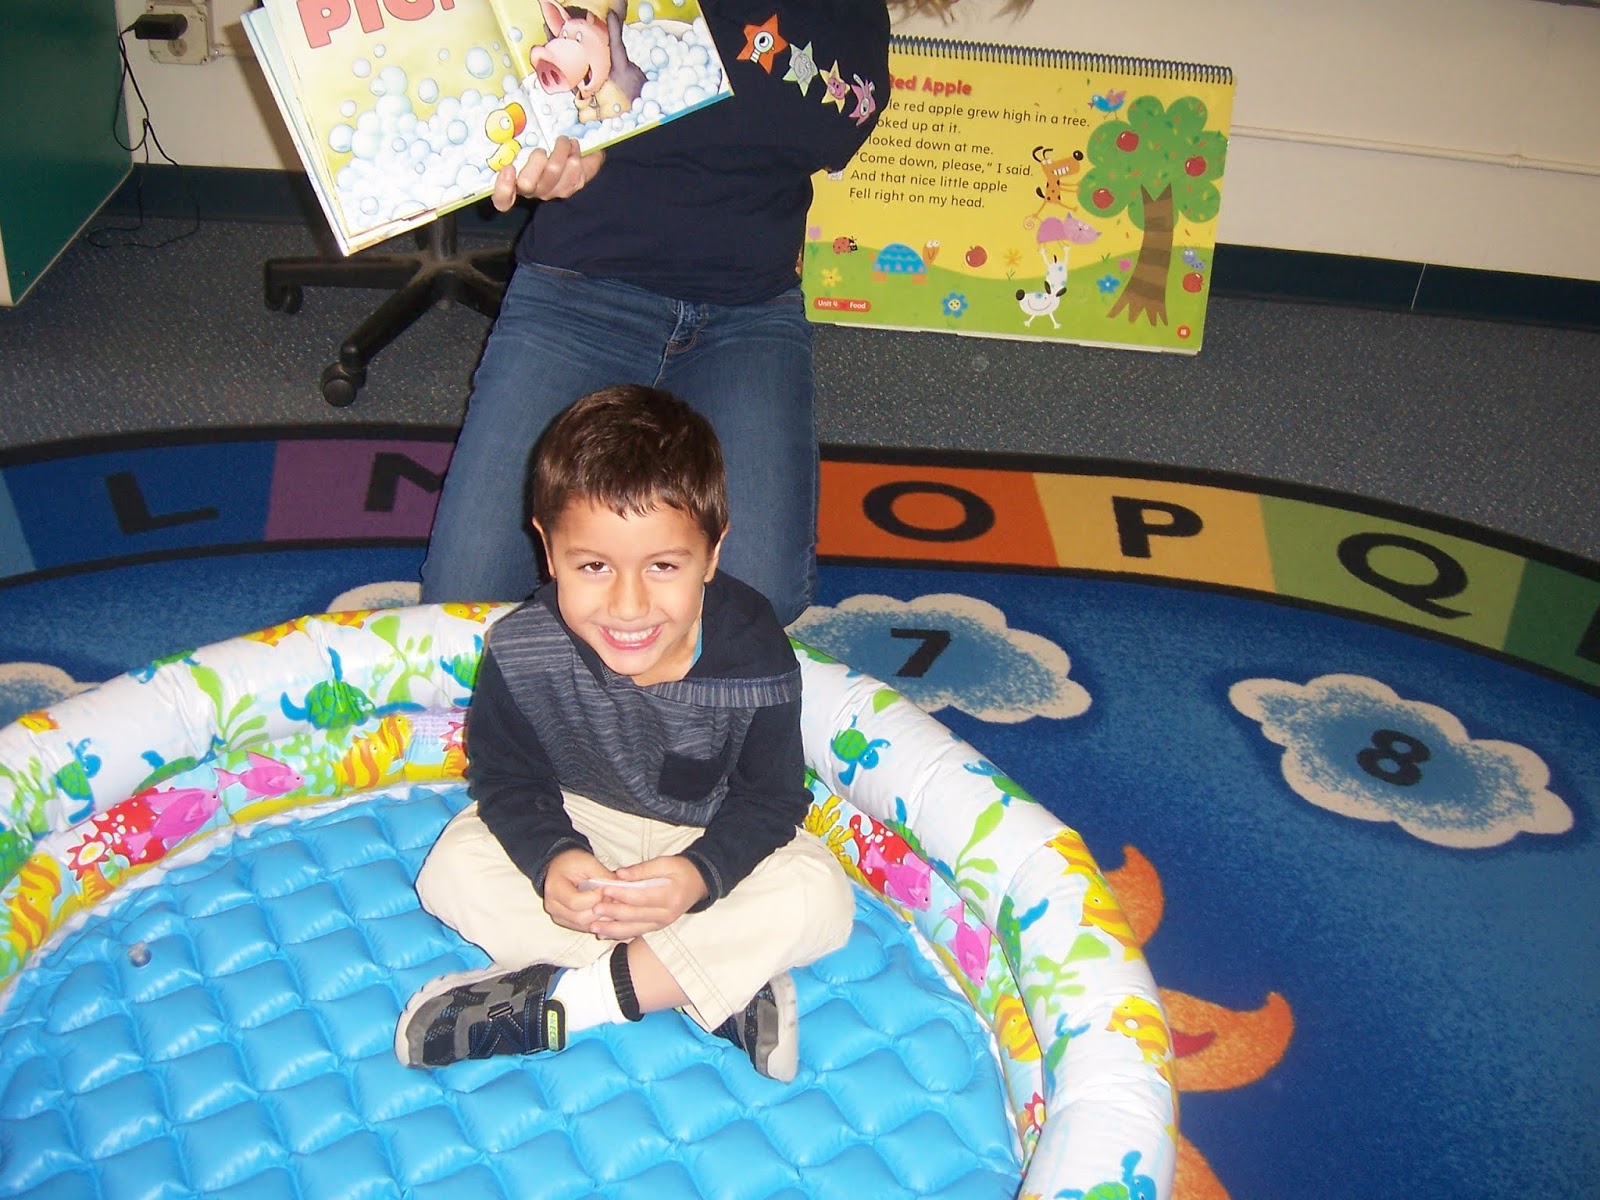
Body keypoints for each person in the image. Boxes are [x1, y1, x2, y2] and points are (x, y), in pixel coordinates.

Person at [421, 1, 1028, 625]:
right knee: (465, 600)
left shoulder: (858, 15)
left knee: (757, 600)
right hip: (584, 291)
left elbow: (794, 131)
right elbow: (543, 73)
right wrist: (565, 139)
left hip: (747, 308)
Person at [396, 385, 855, 1081]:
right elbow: (504, 776)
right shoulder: (520, 648)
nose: (629, 605)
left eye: (663, 566)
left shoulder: (755, 652)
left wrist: (701, 877)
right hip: (581, 826)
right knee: (453, 870)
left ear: (712, 553)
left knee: (819, 893)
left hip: (700, 839)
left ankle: (576, 1003)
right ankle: (711, 984)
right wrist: (551, 858)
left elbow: (771, 801)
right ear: (548, 552)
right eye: (593, 567)